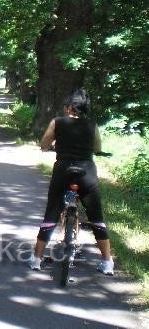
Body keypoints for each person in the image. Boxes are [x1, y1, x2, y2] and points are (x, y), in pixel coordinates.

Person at [28, 88, 113, 275]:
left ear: (68, 108)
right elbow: (97, 147)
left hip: (63, 170)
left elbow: (45, 143)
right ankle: (107, 262)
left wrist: (48, 147)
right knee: (96, 217)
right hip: (87, 172)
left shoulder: (57, 122)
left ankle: (36, 259)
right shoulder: (92, 125)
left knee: (51, 213)